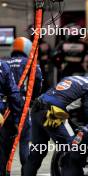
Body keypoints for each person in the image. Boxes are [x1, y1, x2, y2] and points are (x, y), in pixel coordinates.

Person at [23, 75, 88, 176]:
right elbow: (87, 109)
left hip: (37, 108)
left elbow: (60, 96)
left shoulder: (72, 77)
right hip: (52, 112)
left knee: (37, 152)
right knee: (72, 150)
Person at [4, 37, 42, 173]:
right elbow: (37, 82)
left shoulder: (4, 62)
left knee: (5, 142)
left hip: (6, 108)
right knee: (24, 141)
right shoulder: (31, 63)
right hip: (23, 106)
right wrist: (32, 100)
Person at [0, 61, 22, 175]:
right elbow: (14, 94)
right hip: (1, 113)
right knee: (2, 151)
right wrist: (17, 119)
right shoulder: (3, 66)